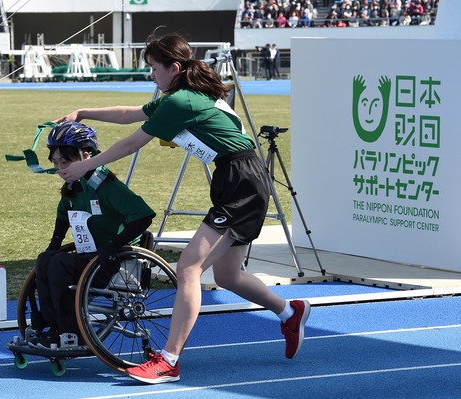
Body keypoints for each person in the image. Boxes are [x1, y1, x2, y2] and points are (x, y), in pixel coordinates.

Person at [53, 30, 310, 384]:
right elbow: (132, 114)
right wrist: (84, 112)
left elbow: (133, 142)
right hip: (237, 178)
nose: (151, 76)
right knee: (227, 275)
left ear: (173, 68)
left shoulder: (181, 101)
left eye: (154, 69)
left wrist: (86, 164)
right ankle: (289, 312)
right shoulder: (178, 95)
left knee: (188, 266)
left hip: (241, 181)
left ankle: (168, 360)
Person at [28, 121, 156, 349]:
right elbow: (63, 214)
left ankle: (69, 331)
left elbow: (144, 216)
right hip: (91, 258)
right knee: (45, 259)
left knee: (59, 263)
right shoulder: (73, 187)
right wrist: (54, 242)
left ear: (86, 155)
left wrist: (114, 245)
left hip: (115, 262)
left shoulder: (107, 186)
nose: (60, 170)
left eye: (65, 162)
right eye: (56, 163)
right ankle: (50, 324)